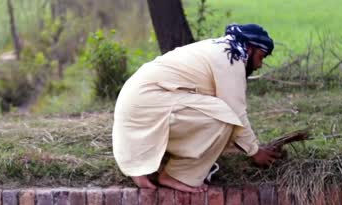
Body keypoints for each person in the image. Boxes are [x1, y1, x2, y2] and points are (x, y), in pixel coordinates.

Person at [112, 23, 282, 193]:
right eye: (261, 56)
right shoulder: (231, 59)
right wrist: (255, 151)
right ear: (251, 48)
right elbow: (236, 113)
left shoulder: (220, 49)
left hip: (136, 103)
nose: (260, 64)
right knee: (224, 118)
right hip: (146, 102)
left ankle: (146, 168)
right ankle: (177, 175)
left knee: (216, 110)